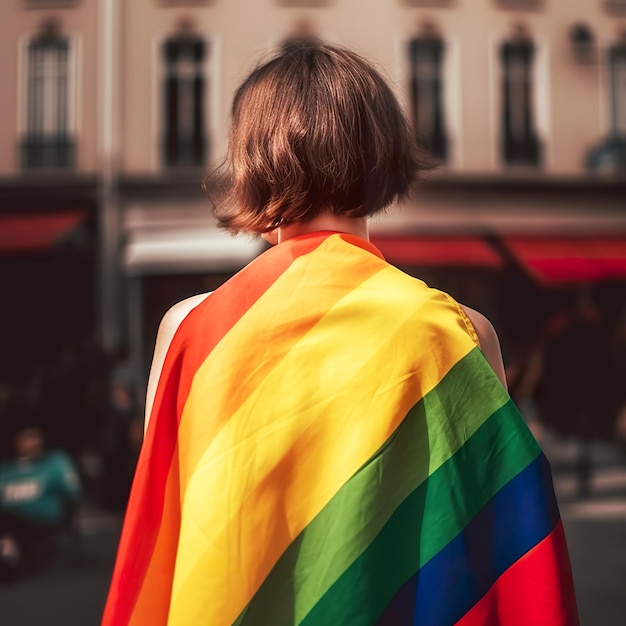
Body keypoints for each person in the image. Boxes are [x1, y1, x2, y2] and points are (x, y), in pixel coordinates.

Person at [102, 42, 578, 625]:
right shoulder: (459, 333)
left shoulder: (190, 329)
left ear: (253, 159)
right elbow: (493, 533)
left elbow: (164, 513)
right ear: (383, 152)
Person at [0, 426, 82, 579]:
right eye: (26, 438)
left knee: (8, 522)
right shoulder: (6, 470)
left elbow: (74, 492)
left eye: (35, 437)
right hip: (11, 524)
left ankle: (9, 561)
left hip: (45, 520)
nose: (33, 443)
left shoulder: (55, 462)